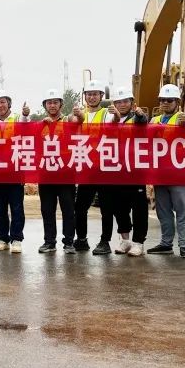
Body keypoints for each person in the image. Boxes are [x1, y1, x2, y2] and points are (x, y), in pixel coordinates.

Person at [145, 84, 185, 257]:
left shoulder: (182, 117)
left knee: (182, 210)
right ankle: (166, 243)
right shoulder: (154, 121)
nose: (165, 103)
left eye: (169, 100)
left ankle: (184, 245)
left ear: (177, 102)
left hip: (178, 174)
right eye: (162, 100)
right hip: (160, 174)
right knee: (163, 210)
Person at [69, 79, 117, 253]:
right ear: (85, 96)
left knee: (106, 208)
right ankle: (82, 239)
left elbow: (115, 121)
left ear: (101, 96)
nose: (92, 97)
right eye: (89, 94)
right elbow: (71, 125)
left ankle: (105, 241)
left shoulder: (106, 113)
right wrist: (74, 116)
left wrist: (117, 115)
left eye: (95, 94)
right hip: (87, 168)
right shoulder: (80, 114)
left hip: (104, 167)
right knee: (80, 207)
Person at [103, 89, 149, 257]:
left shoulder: (136, 117)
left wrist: (140, 115)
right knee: (119, 207)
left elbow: (142, 122)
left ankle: (138, 242)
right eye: (118, 102)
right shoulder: (110, 119)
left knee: (138, 208)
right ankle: (125, 240)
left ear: (131, 102)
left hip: (135, 170)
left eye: (125, 101)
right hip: (116, 169)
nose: (122, 105)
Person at [0, 90, 31, 253]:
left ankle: (16, 238)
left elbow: (26, 125)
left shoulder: (18, 119)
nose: (0, 105)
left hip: (15, 171)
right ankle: (3, 238)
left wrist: (25, 115)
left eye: (3, 102)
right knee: (0, 208)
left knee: (16, 207)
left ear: (9, 104)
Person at [37, 89, 76, 254]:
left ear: (61, 104)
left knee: (68, 209)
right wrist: (41, 126)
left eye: (55, 102)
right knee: (47, 210)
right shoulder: (40, 125)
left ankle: (69, 242)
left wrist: (78, 114)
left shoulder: (68, 120)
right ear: (45, 105)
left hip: (66, 173)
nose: (52, 105)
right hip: (46, 174)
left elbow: (77, 122)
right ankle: (49, 242)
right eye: (49, 103)